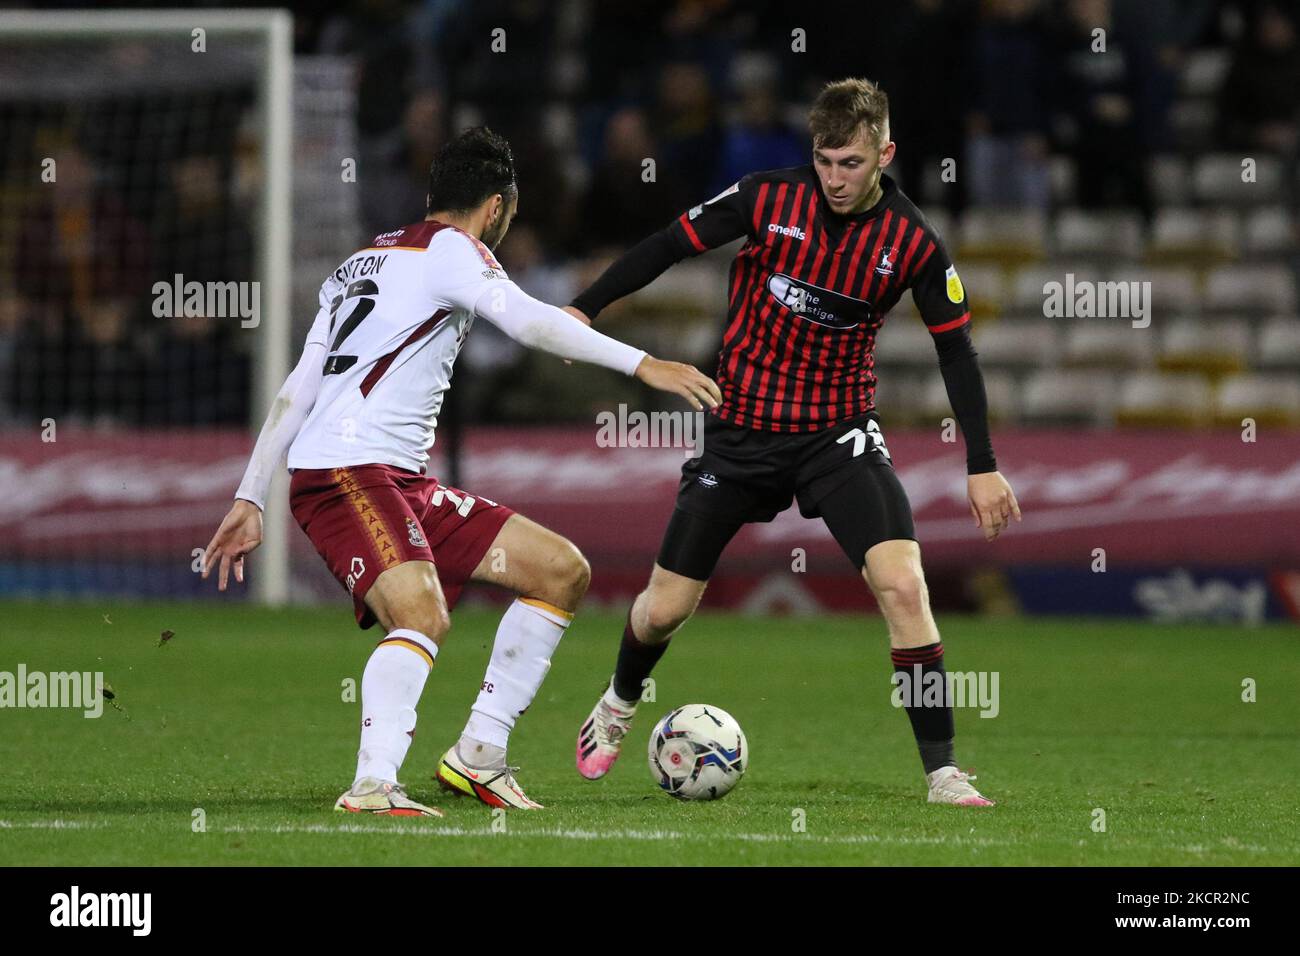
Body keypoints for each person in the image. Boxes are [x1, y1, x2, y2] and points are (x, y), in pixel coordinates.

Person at [201, 127, 720, 816]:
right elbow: (530, 324)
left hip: (396, 480)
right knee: (419, 614)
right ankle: (373, 783)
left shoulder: (359, 262)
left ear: (430, 195)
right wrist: (643, 363)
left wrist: (249, 494)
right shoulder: (454, 250)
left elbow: (298, 386)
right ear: (499, 206)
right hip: (347, 470)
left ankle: (479, 756)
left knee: (559, 571)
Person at [567, 79, 1020, 806]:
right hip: (740, 431)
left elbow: (956, 355)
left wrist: (983, 467)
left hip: (836, 437)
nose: (834, 179)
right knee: (663, 610)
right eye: (824, 160)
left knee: (904, 586)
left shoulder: (913, 244)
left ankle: (943, 771)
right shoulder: (766, 198)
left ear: (884, 154)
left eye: (850, 163)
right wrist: (583, 311)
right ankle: (620, 701)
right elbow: (666, 247)